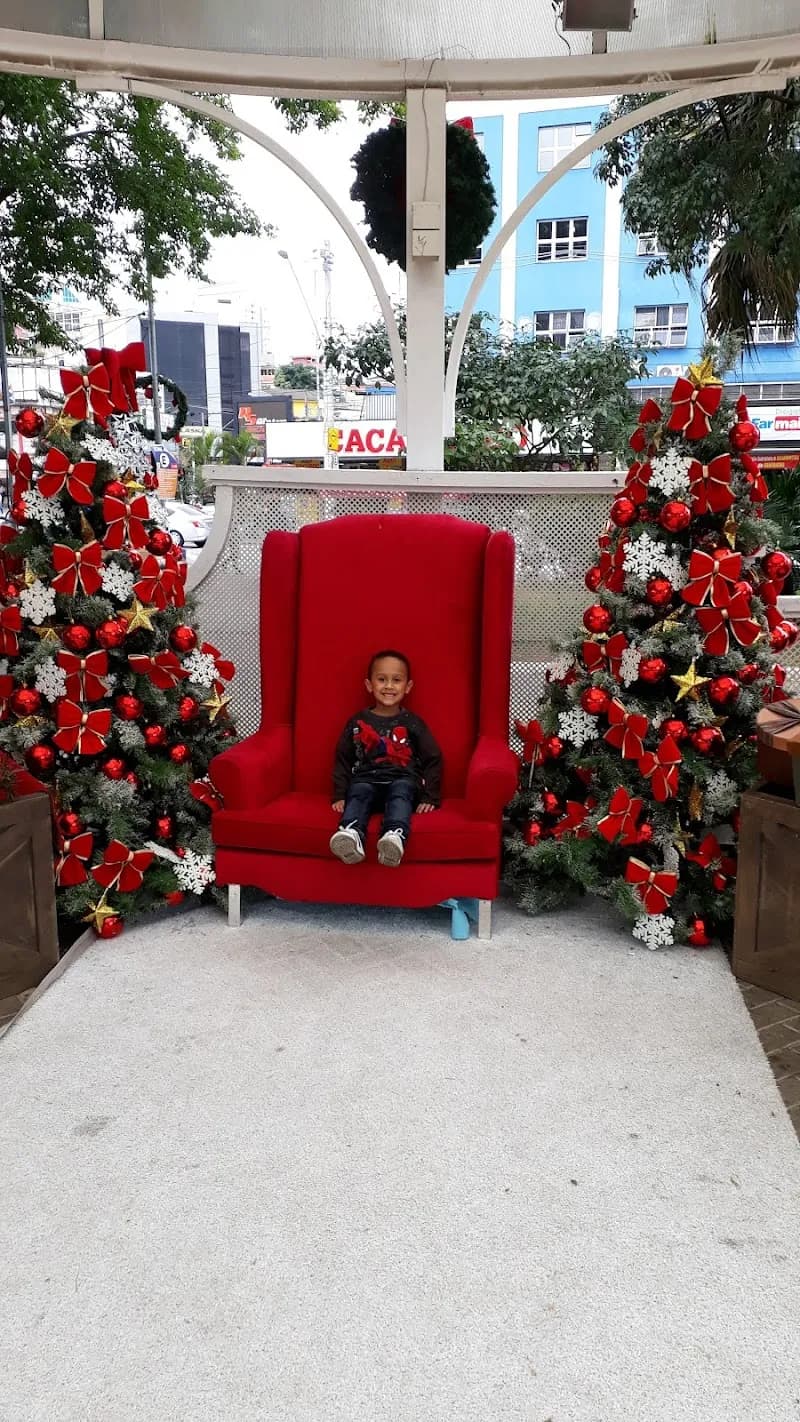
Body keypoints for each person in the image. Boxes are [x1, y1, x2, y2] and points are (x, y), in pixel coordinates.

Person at [330, 649, 442, 867]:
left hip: (402, 780)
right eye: (382, 679)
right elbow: (342, 758)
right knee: (359, 791)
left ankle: (394, 836)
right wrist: (339, 794)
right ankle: (351, 834)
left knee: (401, 791)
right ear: (369, 685)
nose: (389, 686)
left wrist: (430, 797)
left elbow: (434, 758)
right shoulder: (357, 722)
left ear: (407, 686)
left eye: (396, 680)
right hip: (366, 779)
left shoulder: (413, 723)